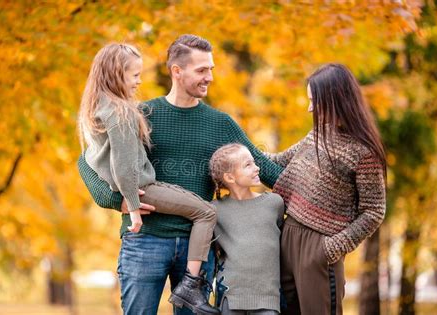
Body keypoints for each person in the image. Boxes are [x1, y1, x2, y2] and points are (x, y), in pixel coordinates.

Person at [77, 35, 283, 314]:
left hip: (195, 249)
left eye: (211, 69)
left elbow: (263, 167)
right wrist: (115, 201)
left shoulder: (220, 124)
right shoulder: (140, 113)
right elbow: (86, 161)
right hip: (144, 240)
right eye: (202, 70)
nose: (209, 77)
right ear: (177, 71)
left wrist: (311, 195)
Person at [78, 42, 219, 313]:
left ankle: (190, 283)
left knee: (203, 211)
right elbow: (117, 164)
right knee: (207, 213)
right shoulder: (123, 112)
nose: (139, 81)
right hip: (145, 210)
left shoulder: (102, 108)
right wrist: (129, 206)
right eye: (134, 75)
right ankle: (192, 285)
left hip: (151, 195)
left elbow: (102, 158)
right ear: (116, 74)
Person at [267, 63, 387, 315]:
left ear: (336, 99)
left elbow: (374, 211)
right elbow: (277, 162)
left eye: (315, 101)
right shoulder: (317, 134)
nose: (310, 108)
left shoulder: (364, 152)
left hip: (320, 247)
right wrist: (236, 148)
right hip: (288, 236)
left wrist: (332, 248)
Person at [209, 143, 284, 315]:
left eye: (254, 162)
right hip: (230, 296)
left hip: (268, 298)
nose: (257, 168)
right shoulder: (215, 210)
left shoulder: (274, 203)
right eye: (248, 165)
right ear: (229, 177)